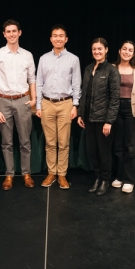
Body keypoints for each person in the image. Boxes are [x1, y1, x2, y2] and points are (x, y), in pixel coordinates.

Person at [0, 20, 37, 190]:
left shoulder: (27, 55)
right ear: (4, 34)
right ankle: (9, 175)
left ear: (19, 32)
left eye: (14, 31)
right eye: (8, 31)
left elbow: (32, 79)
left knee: (25, 141)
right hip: (3, 101)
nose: (11, 34)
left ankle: (26, 173)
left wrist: (34, 98)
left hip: (23, 100)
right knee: (6, 142)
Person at [36, 24, 81, 190]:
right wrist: (39, 105)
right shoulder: (43, 59)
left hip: (65, 104)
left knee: (63, 142)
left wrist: (75, 105)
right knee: (50, 142)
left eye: (61, 36)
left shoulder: (73, 59)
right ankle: (51, 172)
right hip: (47, 103)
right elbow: (39, 83)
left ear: (66, 39)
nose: (58, 38)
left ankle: (62, 174)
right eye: (55, 35)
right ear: (50, 39)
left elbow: (77, 84)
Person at [77, 38, 120, 196]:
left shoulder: (111, 70)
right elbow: (84, 93)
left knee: (104, 151)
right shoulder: (88, 68)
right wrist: (81, 114)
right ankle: (97, 177)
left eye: (100, 49)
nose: (97, 52)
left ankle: (105, 179)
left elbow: (115, 99)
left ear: (106, 50)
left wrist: (109, 121)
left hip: (104, 120)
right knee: (92, 151)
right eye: (94, 49)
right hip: (88, 118)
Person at [110, 41, 135, 193]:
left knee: (131, 146)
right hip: (115, 109)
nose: (127, 52)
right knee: (117, 145)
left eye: (130, 50)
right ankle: (118, 176)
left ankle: (129, 179)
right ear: (119, 51)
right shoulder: (112, 68)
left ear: (133, 53)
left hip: (132, 110)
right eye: (124, 49)